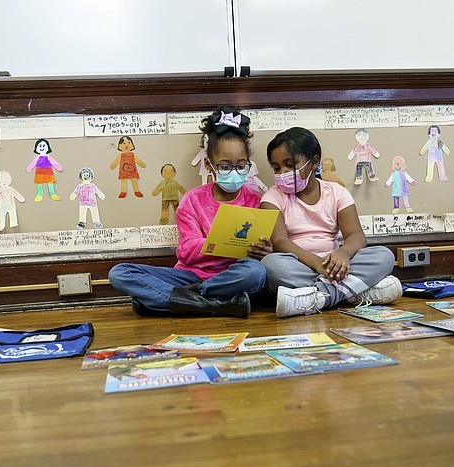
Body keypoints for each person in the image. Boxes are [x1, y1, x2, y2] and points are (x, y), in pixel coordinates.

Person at [108, 106, 271, 318]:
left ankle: (181, 300)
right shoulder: (193, 199)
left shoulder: (255, 200)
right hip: (189, 276)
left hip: (231, 278)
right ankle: (218, 304)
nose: (234, 172)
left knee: (255, 273)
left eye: (241, 165)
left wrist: (266, 250)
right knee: (120, 273)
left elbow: (260, 253)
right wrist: (219, 242)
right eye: (224, 166)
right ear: (209, 164)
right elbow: (185, 251)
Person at [260, 127, 400, 318]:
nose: (282, 172)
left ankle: (317, 298)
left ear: (314, 162)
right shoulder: (272, 196)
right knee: (271, 264)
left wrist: (343, 253)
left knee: (384, 255)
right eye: (277, 168)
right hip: (300, 265)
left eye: (290, 165)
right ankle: (351, 293)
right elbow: (280, 242)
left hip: (336, 264)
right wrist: (317, 263)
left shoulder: (336, 192)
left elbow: (356, 235)